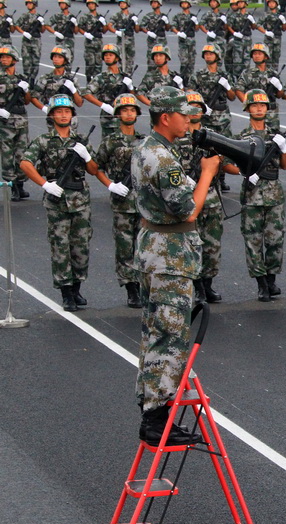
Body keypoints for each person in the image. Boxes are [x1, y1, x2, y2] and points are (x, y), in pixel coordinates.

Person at [131, 86, 221, 446]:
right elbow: (188, 209)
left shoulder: (147, 148)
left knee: (155, 331)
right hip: (169, 257)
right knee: (170, 336)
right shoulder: (163, 159)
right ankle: (156, 419)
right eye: (184, 115)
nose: (190, 120)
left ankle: (155, 411)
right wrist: (207, 173)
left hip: (155, 250)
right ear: (166, 117)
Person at [20, 94, 111, 311]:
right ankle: (66, 292)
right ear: (51, 116)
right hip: (57, 199)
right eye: (59, 112)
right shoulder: (43, 141)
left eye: (67, 111)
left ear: (72, 114)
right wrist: (44, 184)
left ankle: (77, 288)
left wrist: (86, 156)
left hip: (80, 198)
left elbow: (94, 170)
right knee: (60, 246)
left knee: (81, 245)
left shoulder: (81, 140)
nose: (63, 115)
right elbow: (25, 163)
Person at [222, 89, 286, 301]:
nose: (259, 108)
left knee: (275, 239)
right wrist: (243, 172)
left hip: (274, 194)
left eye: (262, 105)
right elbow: (225, 162)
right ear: (248, 108)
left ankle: (271, 280)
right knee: (253, 241)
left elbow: (285, 166)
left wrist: (284, 148)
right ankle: (261, 283)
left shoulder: (275, 135)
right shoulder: (242, 137)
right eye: (255, 105)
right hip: (252, 195)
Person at [174, 91, 225, 304]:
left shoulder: (213, 136)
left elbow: (226, 162)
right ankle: (197, 288)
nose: (195, 110)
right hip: (188, 198)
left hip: (212, 198)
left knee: (211, 245)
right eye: (190, 106)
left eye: (198, 106)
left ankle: (208, 285)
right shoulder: (177, 138)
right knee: (190, 245)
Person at [95, 93, 145, 308]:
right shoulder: (110, 142)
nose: (128, 113)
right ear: (118, 114)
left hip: (143, 204)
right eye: (124, 110)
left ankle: (144, 285)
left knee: (144, 247)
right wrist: (109, 184)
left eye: (132, 110)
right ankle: (131, 289)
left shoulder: (145, 141)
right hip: (123, 203)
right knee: (125, 248)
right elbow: (97, 167)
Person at [81, 44, 137, 138]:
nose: (107, 57)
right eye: (106, 55)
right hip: (108, 119)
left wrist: (130, 87)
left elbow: (132, 98)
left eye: (110, 55)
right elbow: (86, 93)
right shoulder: (101, 77)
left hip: (124, 117)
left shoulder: (124, 76)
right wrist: (103, 105)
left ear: (116, 58)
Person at [0, 45, 33, 201]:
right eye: (2, 57)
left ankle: (20, 184)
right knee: (7, 155)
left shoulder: (21, 78)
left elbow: (27, 101)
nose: (4, 60)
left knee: (22, 153)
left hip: (21, 120)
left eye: (7, 57)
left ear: (14, 60)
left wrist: (26, 90)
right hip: (4, 122)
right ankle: (11, 186)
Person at [187, 43, 236, 138]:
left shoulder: (225, 75)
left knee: (227, 145)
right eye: (206, 54)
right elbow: (190, 94)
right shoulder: (198, 75)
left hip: (223, 118)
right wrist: (202, 105)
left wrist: (227, 87)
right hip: (205, 117)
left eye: (211, 54)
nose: (208, 56)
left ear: (217, 56)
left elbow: (232, 97)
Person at [236, 42, 285, 129]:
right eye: (254, 54)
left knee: (273, 137)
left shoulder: (273, 73)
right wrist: (248, 104)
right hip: (257, 113)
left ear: (266, 56)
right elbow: (238, 90)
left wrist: (279, 87)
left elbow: (280, 95)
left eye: (259, 53)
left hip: (272, 113)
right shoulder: (248, 73)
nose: (256, 56)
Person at [31, 46, 83, 117]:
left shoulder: (72, 79)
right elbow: (33, 97)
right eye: (55, 56)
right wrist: (44, 108)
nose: (56, 59)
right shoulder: (45, 78)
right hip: (52, 115)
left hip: (68, 115)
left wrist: (73, 90)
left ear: (65, 60)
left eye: (59, 57)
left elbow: (79, 103)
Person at [77, 0, 107, 81]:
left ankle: (97, 83)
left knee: (98, 64)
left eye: (92, 4)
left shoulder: (100, 17)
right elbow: (79, 28)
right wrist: (85, 34)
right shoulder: (84, 17)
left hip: (99, 43)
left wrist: (104, 23)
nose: (91, 6)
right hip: (89, 43)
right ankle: (89, 81)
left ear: (96, 5)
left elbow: (104, 31)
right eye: (89, 4)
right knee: (90, 63)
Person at [14, 0, 43, 83]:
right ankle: (26, 80)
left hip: (36, 40)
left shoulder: (39, 17)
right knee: (26, 62)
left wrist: (42, 23)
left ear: (35, 4)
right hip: (26, 40)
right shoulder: (25, 16)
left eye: (30, 3)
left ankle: (32, 80)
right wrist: (23, 33)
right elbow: (16, 25)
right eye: (27, 3)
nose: (28, 5)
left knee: (35, 61)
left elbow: (43, 30)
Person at [108, 0, 139, 74]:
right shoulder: (117, 15)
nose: (122, 5)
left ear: (127, 4)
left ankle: (128, 77)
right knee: (120, 60)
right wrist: (116, 32)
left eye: (123, 3)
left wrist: (136, 22)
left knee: (130, 60)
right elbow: (109, 25)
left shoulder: (132, 16)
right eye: (120, 3)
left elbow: (137, 30)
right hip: (121, 41)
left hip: (130, 41)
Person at [172, 0, 199, 83]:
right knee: (184, 62)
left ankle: (190, 80)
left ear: (189, 4)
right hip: (183, 42)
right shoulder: (178, 16)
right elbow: (173, 26)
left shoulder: (193, 16)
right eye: (182, 3)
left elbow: (197, 29)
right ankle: (183, 80)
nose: (184, 4)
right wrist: (178, 33)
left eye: (186, 3)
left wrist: (196, 22)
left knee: (191, 62)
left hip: (192, 41)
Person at [139, 0, 170, 70]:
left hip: (162, 41)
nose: (153, 4)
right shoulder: (148, 16)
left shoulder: (164, 16)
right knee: (152, 62)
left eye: (155, 2)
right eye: (152, 3)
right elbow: (141, 26)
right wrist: (148, 32)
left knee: (163, 61)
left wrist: (166, 21)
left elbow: (167, 28)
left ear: (159, 4)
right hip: (152, 41)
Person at [45, 0, 77, 66]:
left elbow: (76, 31)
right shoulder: (57, 16)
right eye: (60, 4)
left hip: (69, 40)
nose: (61, 5)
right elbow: (47, 25)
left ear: (67, 4)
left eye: (63, 3)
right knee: (59, 57)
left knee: (69, 59)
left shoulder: (72, 17)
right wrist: (55, 33)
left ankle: (67, 74)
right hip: (60, 40)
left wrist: (76, 24)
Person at [256, 0, 285, 70]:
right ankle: (267, 74)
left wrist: (284, 21)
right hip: (268, 39)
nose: (271, 4)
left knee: (276, 58)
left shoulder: (280, 15)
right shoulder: (266, 15)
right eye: (269, 3)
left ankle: (274, 75)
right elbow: (257, 25)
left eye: (273, 3)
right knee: (267, 58)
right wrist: (266, 32)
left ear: (276, 4)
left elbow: (284, 29)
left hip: (277, 39)